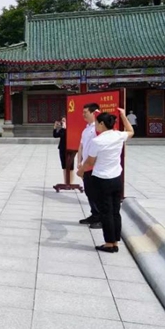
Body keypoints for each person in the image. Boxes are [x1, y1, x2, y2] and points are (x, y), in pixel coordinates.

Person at [78, 109, 134, 253]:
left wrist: (81, 171)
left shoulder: (98, 141)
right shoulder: (118, 135)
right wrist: (123, 115)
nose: (96, 126)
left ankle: (109, 243)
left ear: (102, 124)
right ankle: (115, 241)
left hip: (102, 180)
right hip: (116, 178)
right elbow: (131, 131)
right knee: (115, 211)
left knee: (106, 212)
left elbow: (90, 162)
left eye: (97, 123)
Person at [76, 103, 102, 229]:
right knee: (89, 191)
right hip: (86, 165)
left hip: (94, 166)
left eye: (85, 112)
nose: (83, 115)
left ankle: (101, 218)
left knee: (96, 193)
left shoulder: (98, 129)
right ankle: (94, 214)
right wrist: (79, 162)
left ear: (94, 113)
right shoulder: (86, 129)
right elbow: (81, 146)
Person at [53, 116, 75, 184]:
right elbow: (55, 135)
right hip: (62, 148)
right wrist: (55, 127)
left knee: (70, 167)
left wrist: (65, 128)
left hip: (70, 149)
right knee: (64, 166)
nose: (63, 122)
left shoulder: (71, 128)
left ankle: (70, 182)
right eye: (62, 120)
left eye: (64, 120)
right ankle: (65, 182)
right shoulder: (62, 129)